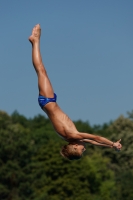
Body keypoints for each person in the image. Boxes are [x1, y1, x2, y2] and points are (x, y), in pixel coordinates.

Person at [28, 24, 122, 160]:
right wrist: (111, 146)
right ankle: (35, 41)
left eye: (81, 151)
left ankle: (35, 41)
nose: (84, 149)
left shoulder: (73, 136)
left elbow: (96, 137)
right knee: (41, 71)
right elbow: (94, 141)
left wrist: (112, 143)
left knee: (41, 70)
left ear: (75, 146)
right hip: (48, 103)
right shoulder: (70, 137)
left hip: (48, 100)